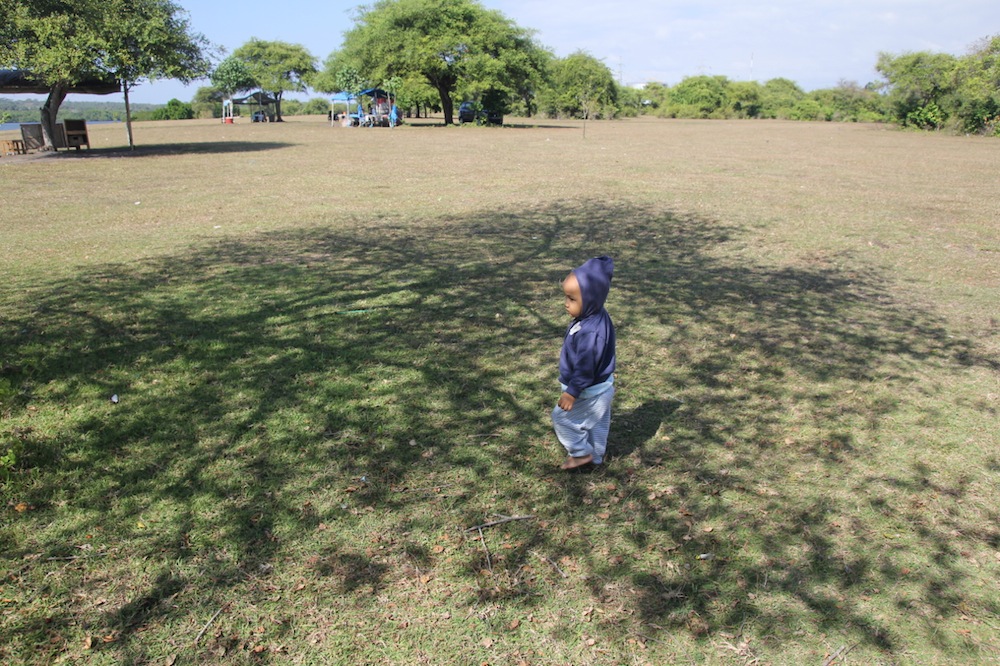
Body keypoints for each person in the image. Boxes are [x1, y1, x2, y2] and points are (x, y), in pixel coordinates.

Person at [551, 256, 616, 470]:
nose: (566, 303)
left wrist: (572, 392)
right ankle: (595, 460)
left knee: (562, 419)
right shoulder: (593, 316)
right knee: (596, 425)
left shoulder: (592, 332)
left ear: (591, 299)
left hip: (588, 390)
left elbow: (585, 367)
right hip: (602, 387)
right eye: (566, 297)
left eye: (572, 299)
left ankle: (580, 454)